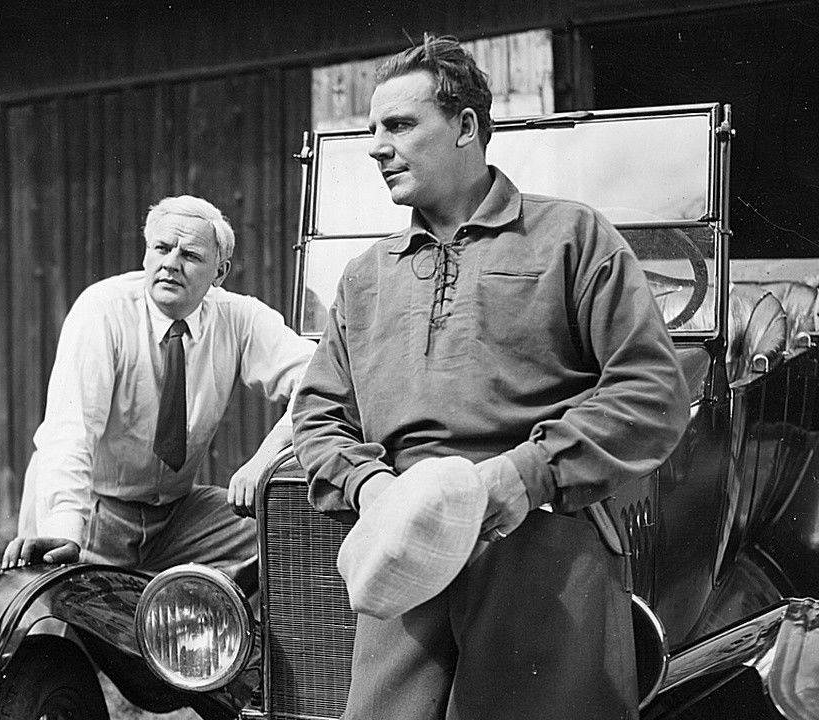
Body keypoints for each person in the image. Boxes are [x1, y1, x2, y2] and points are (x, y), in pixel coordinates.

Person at [291, 36, 690, 720]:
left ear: (466, 126)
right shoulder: (364, 278)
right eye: (372, 130)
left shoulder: (572, 237)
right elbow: (317, 416)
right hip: (403, 558)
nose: (377, 148)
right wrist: (373, 489)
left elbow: (651, 389)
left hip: (541, 545)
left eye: (400, 125)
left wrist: (526, 474)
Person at [2, 195, 314, 571]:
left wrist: (267, 458)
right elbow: (71, 433)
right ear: (146, 254)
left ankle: (214, 606)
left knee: (287, 531)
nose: (170, 263)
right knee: (62, 601)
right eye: (162, 248)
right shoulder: (103, 310)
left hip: (175, 517)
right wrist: (64, 530)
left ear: (220, 272)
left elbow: (319, 379)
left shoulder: (238, 317)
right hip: (94, 507)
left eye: (190, 255)